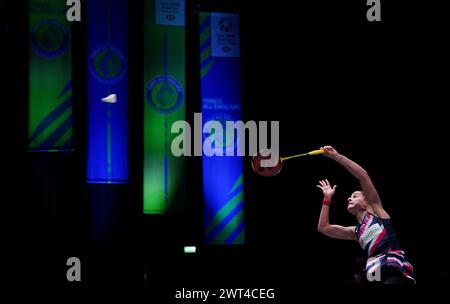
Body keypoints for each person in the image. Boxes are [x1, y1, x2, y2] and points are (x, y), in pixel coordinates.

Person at [316, 146, 415, 284]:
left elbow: (363, 176)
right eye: (350, 197)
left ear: (365, 202)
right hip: (376, 273)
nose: (349, 198)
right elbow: (324, 228)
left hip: (394, 265)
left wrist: (336, 156)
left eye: (355, 195)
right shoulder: (355, 232)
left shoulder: (376, 210)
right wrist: (326, 199)